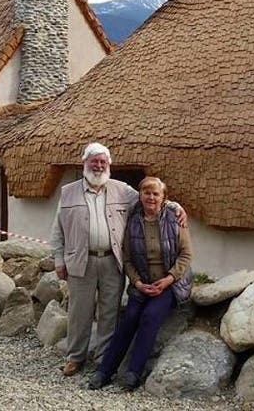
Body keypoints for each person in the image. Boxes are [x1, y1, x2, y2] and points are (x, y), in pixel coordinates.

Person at [51, 144, 186, 377]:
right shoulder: (68, 192)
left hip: (113, 261)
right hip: (80, 260)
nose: (98, 165)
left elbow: (151, 198)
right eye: (94, 161)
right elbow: (58, 230)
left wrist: (174, 205)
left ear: (109, 164)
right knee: (79, 312)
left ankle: (103, 358)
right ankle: (75, 358)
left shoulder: (122, 190)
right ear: (85, 163)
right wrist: (59, 260)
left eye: (103, 161)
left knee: (109, 312)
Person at [88, 176, 192, 391]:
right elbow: (126, 258)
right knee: (129, 318)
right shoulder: (133, 220)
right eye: (147, 192)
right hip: (142, 283)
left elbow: (186, 254)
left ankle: (133, 373)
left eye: (156, 194)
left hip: (170, 283)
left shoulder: (174, 217)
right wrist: (137, 281)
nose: (151, 197)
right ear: (141, 195)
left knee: (150, 316)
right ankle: (105, 371)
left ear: (163, 198)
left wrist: (168, 279)